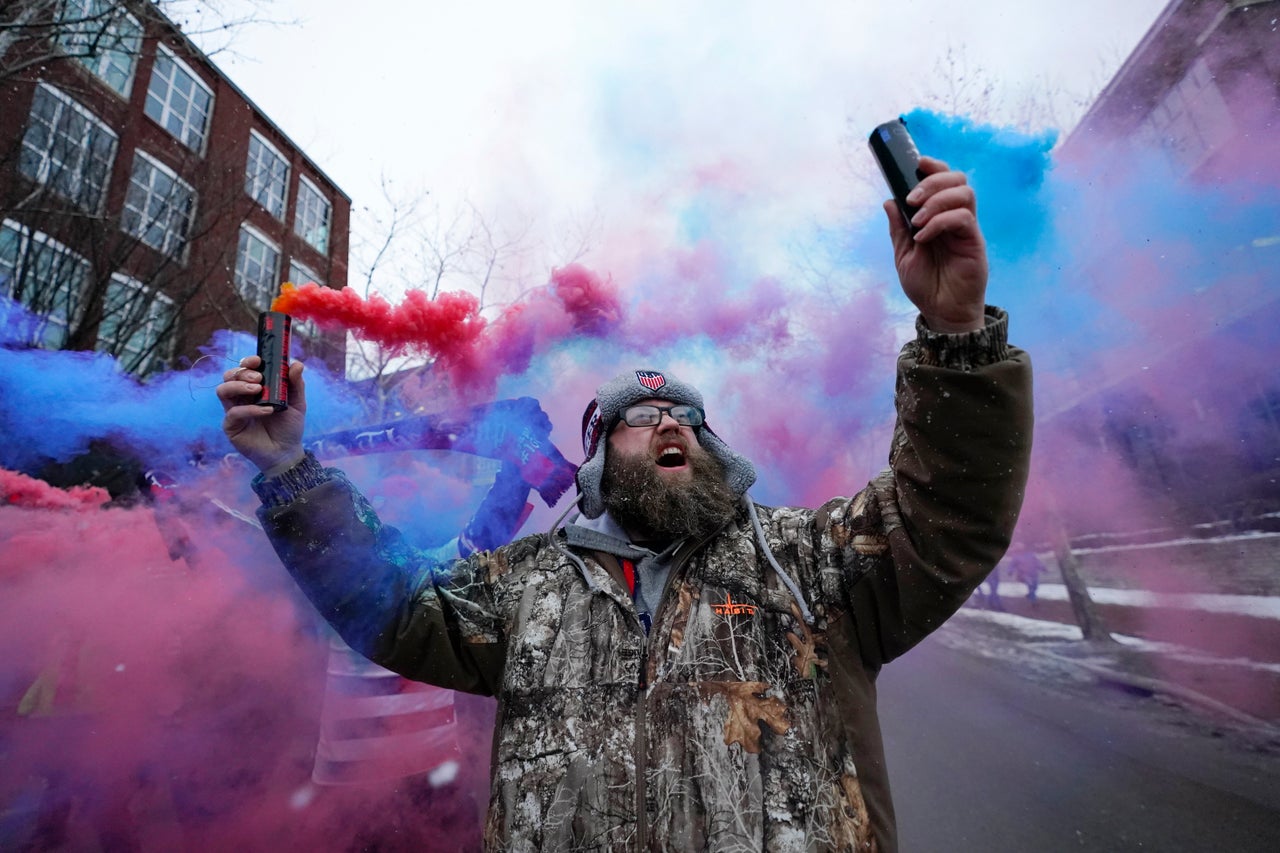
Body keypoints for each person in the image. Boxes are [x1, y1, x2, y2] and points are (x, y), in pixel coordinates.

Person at [216, 156, 1033, 852]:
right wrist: (287, 465)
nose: (670, 421)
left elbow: (943, 515)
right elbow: (392, 604)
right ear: (603, 464)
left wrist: (954, 328)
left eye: (687, 416)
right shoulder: (527, 588)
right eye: (641, 419)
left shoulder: (806, 563)